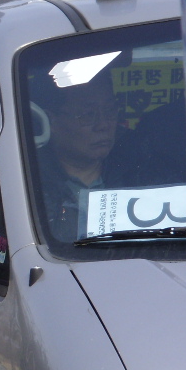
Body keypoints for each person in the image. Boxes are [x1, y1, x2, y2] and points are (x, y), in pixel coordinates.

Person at [36, 71, 119, 242]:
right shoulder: (29, 184)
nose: (103, 124)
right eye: (88, 114)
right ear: (51, 121)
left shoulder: (140, 172)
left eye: (110, 110)